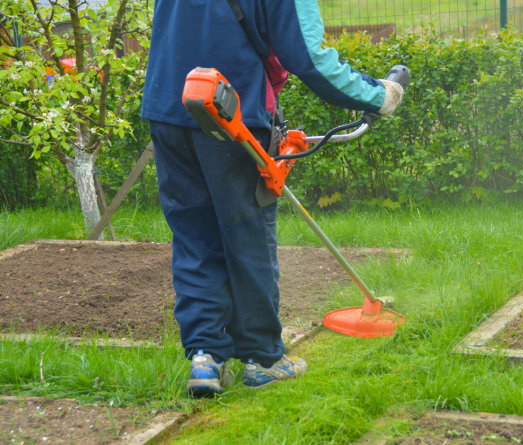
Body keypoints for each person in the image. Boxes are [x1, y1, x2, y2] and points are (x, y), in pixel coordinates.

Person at [140, 0, 404, 396]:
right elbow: (309, 58)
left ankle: (205, 359)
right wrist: (377, 96)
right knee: (246, 238)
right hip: (228, 112)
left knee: (194, 237)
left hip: (168, 109)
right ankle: (263, 359)